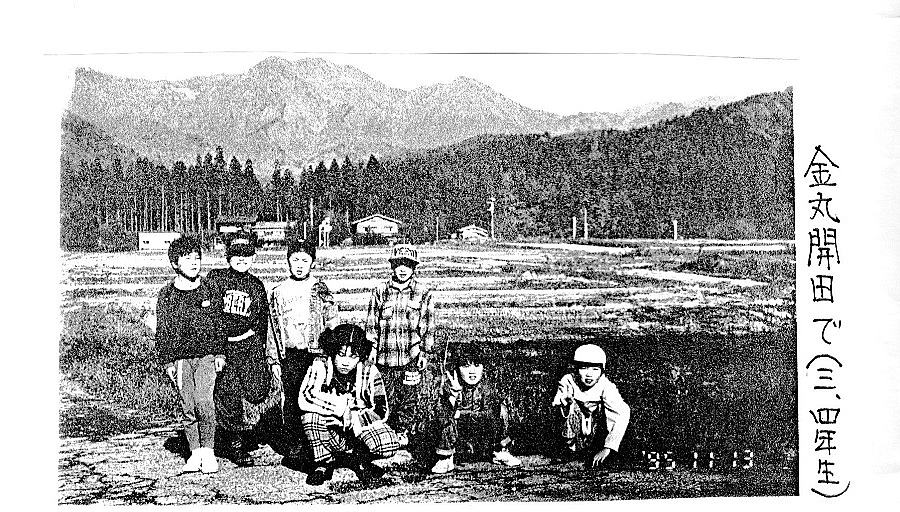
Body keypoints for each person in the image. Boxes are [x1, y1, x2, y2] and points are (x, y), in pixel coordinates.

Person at [207, 230, 281, 466]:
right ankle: (235, 444)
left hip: (248, 344)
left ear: (254, 256)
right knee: (228, 393)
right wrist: (217, 349)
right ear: (228, 255)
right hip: (225, 345)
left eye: (246, 253)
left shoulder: (256, 285)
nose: (241, 258)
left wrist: (264, 353)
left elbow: (262, 322)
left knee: (258, 389)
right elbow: (211, 317)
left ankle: (250, 432)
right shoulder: (216, 279)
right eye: (236, 253)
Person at [155, 234, 225, 474]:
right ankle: (194, 453)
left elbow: (219, 324)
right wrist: (167, 361)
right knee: (188, 404)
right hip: (181, 359)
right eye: (187, 258)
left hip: (207, 356)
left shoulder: (209, 288)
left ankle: (209, 452)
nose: (194, 262)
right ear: (175, 263)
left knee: (204, 402)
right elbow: (163, 330)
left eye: (197, 257)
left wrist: (220, 354)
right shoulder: (167, 294)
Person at [298, 324, 400, 486]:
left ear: (360, 356)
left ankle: (360, 459)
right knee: (310, 417)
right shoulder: (320, 365)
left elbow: (381, 410)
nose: (346, 362)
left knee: (388, 444)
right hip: (330, 432)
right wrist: (340, 409)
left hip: (357, 431)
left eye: (353, 356)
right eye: (341, 355)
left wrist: (353, 418)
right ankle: (323, 463)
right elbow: (306, 396)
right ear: (333, 351)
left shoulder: (369, 370)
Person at [268, 237, 338, 470]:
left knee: (314, 398)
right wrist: (273, 359)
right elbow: (272, 328)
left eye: (304, 260)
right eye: (295, 260)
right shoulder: (278, 291)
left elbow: (332, 322)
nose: (299, 265)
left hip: (315, 355)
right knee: (290, 399)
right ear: (288, 261)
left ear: (313, 263)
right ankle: (295, 444)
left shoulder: (320, 288)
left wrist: (329, 355)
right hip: (290, 355)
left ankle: (318, 444)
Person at [364, 244, 435, 448]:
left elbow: (428, 324)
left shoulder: (423, 292)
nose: (402, 269)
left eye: (408, 265)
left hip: (410, 355)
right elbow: (372, 322)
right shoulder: (380, 291)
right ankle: (384, 429)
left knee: (408, 395)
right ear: (392, 266)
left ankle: (402, 430)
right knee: (385, 394)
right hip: (384, 355)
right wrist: (372, 348)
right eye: (398, 264)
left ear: (414, 268)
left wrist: (424, 352)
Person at [431, 342, 521, 474]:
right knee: (446, 415)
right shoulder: (451, 386)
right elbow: (441, 414)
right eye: (466, 366)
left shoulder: (486, 387)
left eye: (477, 365)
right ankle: (446, 457)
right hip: (458, 435)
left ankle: (500, 450)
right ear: (457, 368)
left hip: (480, 432)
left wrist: (461, 414)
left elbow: (490, 414)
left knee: (502, 410)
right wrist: (453, 396)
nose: (472, 371)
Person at [551, 344, 631, 469]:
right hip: (571, 429)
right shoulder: (568, 381)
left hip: (595, 428)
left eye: (595, 369)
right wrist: (565, 404)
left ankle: (594, 450)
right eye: (584, 368)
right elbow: (557, 408)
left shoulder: (605, 385)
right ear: (576, 369)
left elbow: (622, 412)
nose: (589, 374)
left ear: (602, 371)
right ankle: (566, 451)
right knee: (569, 407)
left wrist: (608, 447)